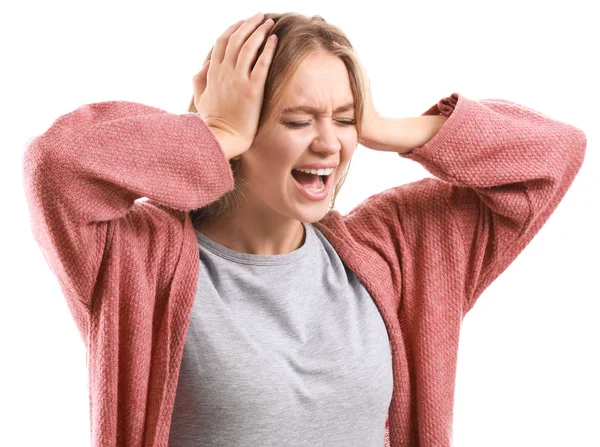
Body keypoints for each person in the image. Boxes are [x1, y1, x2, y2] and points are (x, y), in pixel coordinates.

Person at [22, 11, 586, 447]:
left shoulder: (392, 253)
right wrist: (210, 132)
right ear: (242, 132)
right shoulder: (138, 259)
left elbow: (554, 154)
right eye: (296, 120)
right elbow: (57, 166)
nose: (329, 143)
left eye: (343, 118)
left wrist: (387, 127)